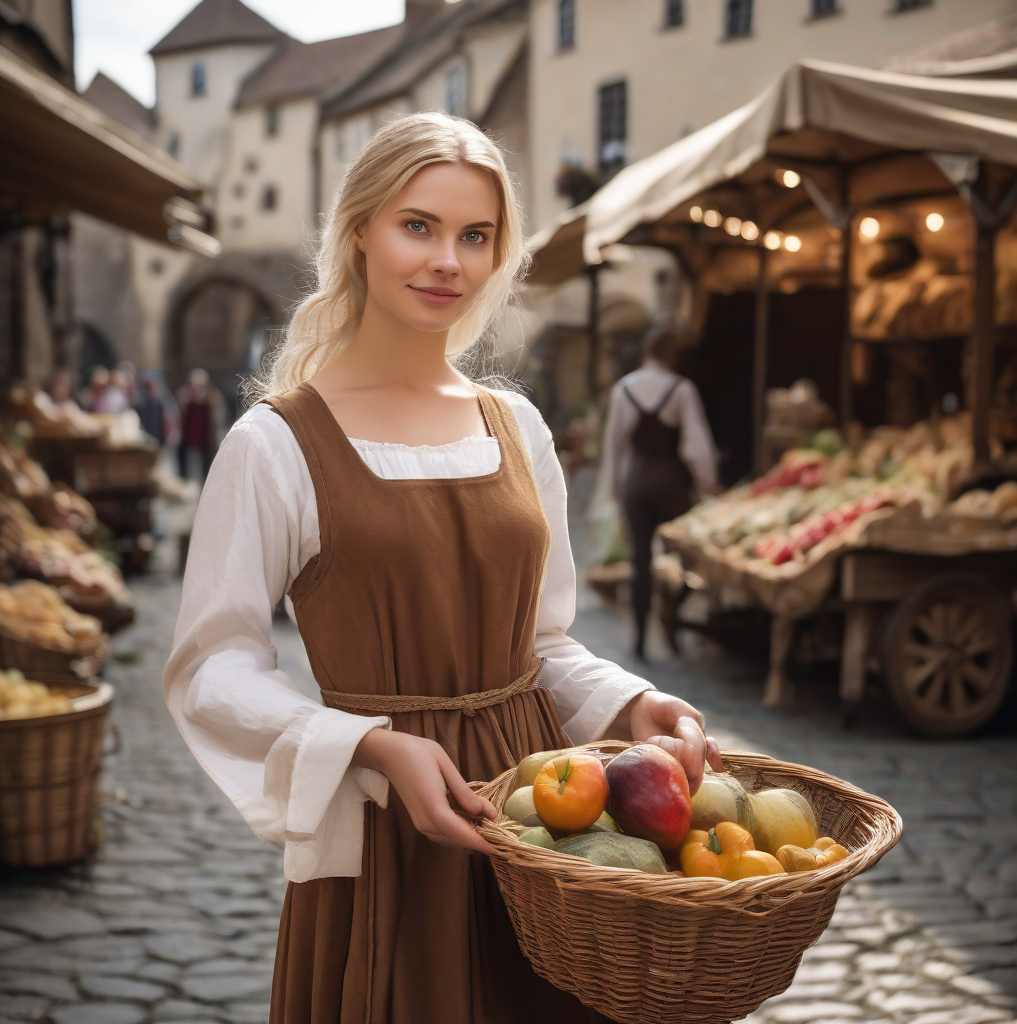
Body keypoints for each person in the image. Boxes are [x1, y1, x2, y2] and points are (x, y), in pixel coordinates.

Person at [164, 113, 722, 1024]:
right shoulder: (275, 444)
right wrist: (371, 745)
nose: (448, 262)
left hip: (548, 822)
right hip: (389, 820)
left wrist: (629, 703)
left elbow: (541, 644)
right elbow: (211, 667)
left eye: (475, 236)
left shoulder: (517, 427)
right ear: (359, 233)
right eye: (416, 226)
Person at [603, 326, 719, 660]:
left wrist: (613, 490)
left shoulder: (625, 388)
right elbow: (697, 447)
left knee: (641, 562)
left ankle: (639, 640)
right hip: (671, 483)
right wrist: (708, 485)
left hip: (636, 482)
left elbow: (615, 446)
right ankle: (672, 627)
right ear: (671, 355)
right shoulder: (682, 389)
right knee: (683, 559)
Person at [174, 368, 220, 481]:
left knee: (206, 465)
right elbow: (177, 413)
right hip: (186, 435)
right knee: (184, 462)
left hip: (204, 437)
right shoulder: (184, 394)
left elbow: (218, 416)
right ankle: (184, 480)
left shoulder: (212, 396)